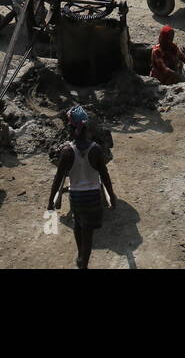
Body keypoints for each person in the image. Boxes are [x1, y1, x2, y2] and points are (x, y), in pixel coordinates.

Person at [47, 106, 115, 269]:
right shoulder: (96, 150)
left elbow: (58, 179)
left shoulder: (66, 151)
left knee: (78, 224)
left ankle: (80, 255)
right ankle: (83, 259)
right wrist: (111, 196)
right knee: (88, 231)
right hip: (92, 197)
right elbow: (104, 176)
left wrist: (50, 201)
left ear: (71, 128)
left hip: (76, 197)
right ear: (87, 128)